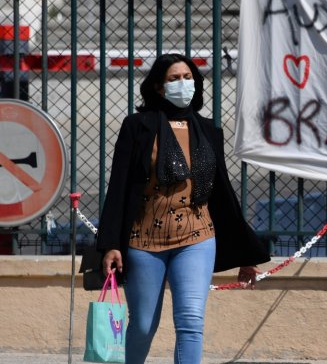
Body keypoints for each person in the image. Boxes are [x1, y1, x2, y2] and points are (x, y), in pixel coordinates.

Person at [96, 53, 270, 364]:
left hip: (197, 238)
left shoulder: (207, 129)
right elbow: (119, 186)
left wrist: (246, 256)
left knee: (191, 322)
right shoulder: (137, 126)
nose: (183, 84)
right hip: (144, 242)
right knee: (143, 326)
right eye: (174, 79)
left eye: (188, 78)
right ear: (159, 88)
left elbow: (224, 194)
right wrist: (110, 244)